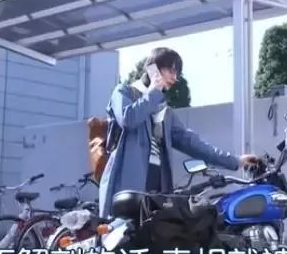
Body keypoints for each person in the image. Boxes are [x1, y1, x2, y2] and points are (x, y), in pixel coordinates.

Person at [97, 47, 261, 218]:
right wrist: (154, 92)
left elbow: (193, 144)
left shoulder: (165, 112)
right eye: (171, 70)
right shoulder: (124, 92)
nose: (174, 78)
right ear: (153, 68)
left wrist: (235, 161)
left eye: (177, 73)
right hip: (127, 185)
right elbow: (128, 119)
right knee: (124, 232)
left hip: (157, 186)